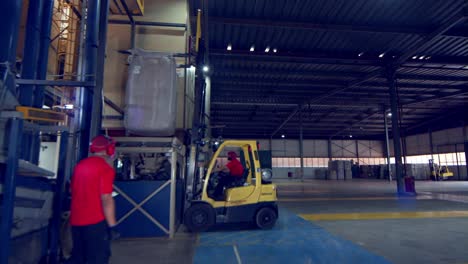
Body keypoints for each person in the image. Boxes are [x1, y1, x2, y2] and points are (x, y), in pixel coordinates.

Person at [68, 135, 117, 264]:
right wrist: (112, 225)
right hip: (95, 222)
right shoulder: (105, 168)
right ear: (110, 150)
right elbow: (106, 198)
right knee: (98, 258)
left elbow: (72, 190)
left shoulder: (80, 165)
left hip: (76, 221)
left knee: (79, 257)